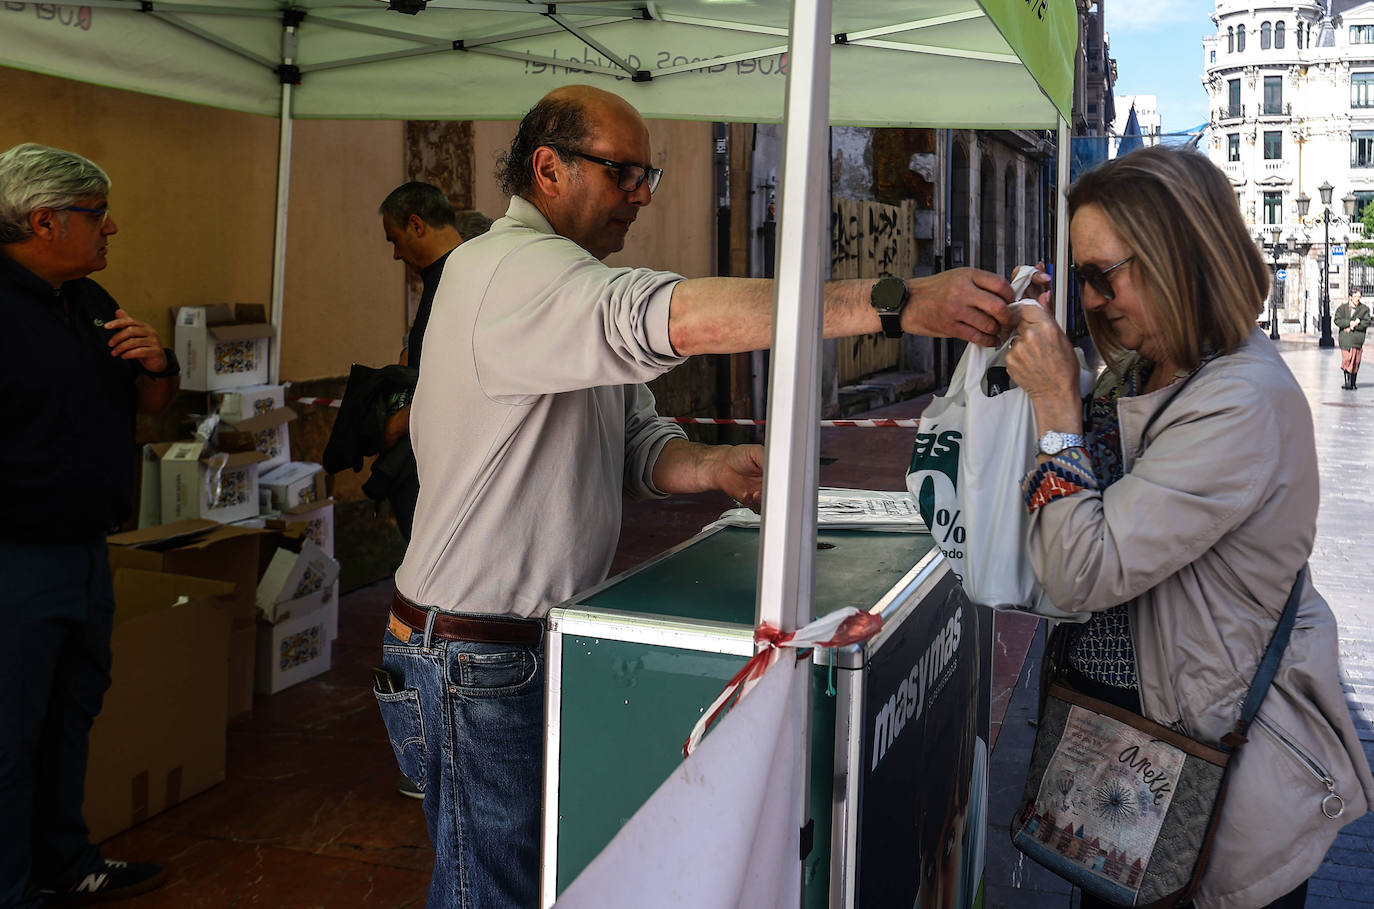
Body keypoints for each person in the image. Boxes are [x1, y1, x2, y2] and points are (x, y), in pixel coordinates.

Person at [375, 83, 1020, 908]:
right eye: (622, 175)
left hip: (528, 644)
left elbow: (640, 446)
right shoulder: (505, 270)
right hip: (473, 656)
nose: (641, 198)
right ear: (548, 168)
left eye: (650, 177)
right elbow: (664, 315)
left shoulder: (566, 286)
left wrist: (715, 465)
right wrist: (890, 302)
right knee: (486, 892)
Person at [1004, 145, 1374, 909]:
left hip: (1208, 799)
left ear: (1178, 254)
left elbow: (1083, 566)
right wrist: (1048, 362)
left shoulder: (1241, 399)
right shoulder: (1147, 369)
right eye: (1081, 278)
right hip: (1125, 768)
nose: (1093, 298)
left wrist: (1054, 411)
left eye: (1103, 274)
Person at [0, 143, 180, 907]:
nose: (113, 228)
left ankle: (66, 859)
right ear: (45, 220)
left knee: (72, 707)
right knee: (9, 733)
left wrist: (156, 364)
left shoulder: (92, 301)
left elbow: (152, 404)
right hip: (14, 556)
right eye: (95, 215)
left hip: (83, 548)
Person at [1334, 288, 1369, 390]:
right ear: (1351, 297)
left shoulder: (1364, 309)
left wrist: (1357, 325)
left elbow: (1367, 322)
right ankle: (1347, 381)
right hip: (1345, 340)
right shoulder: (1342, 308)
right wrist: (1349, 323)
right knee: (1347, 359)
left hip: (1357, 340)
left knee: (1355, 361)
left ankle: (1352, 382)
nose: (1357, 299)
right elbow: (1337, 320)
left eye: (1359, 297)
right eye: (1355, 297)